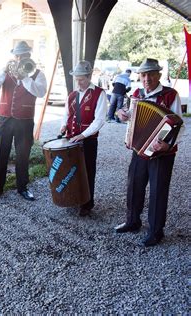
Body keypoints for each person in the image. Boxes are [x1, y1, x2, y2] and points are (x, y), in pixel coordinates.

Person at [114, 58, 184, 247]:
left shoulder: (170, 95)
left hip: (162, 152)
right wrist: (122, 114)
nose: (147, 79)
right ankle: (132, 221)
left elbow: (178, 125)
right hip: (139, 148)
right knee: (134, 185)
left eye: (151, 74)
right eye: (144, 75)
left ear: (158, 75)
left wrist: (167, 145)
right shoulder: (137, 93)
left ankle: (155, 231)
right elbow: (131, 115)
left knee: (158, 191)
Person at [0, 41, 47, 200]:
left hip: (25, 120)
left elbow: (40, 92)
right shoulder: (5, 71)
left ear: (29, 55)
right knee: (1, 154)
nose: (20, 58)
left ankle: (23, 187)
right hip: (5, 119)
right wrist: (2, 70)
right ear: (14, 55)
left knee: (23, 155)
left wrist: (25, 78)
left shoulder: (37, 74)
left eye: (24, 55)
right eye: (18, 55)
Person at [60, 60, 107, 216]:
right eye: (77, 79)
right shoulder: (72, 95)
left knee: (87, 172)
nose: (78, 82)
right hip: (71, 139)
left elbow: (99, 120)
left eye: (81, 79)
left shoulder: (99, 93)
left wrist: (83, 135)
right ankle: (74, 199)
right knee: (72, 172)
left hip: (88, 141)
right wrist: (63, 126)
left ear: (89, 76)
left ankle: (87, 203)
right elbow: (66, 114)